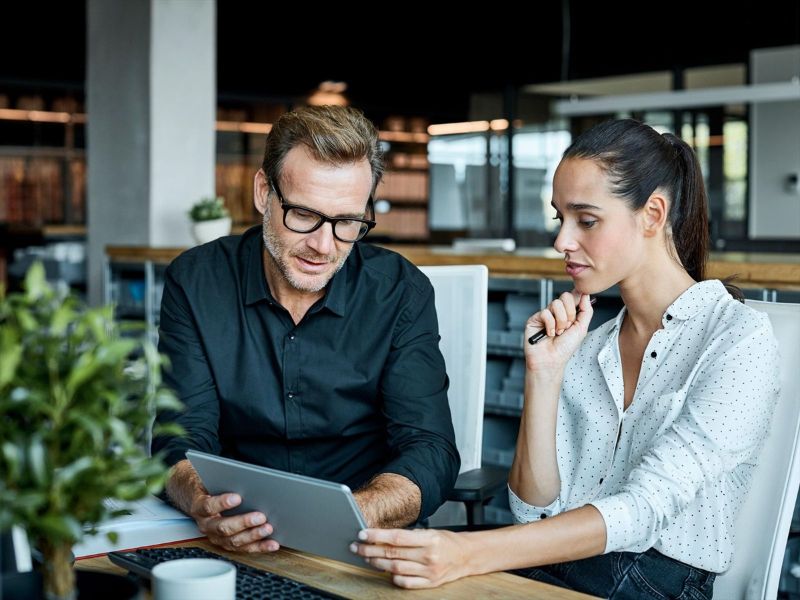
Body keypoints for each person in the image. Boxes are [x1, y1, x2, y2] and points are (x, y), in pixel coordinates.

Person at [353, 119, 780, 599]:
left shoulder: (738, 340)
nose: (561, 242)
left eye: (587, 220)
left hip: (657, 582)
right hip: (569, 564)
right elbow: (532, 511)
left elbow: (643, 512)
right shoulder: (590, 345)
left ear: (653, 214)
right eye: (561, 219)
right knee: (385, 576)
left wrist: (467, 553)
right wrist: (545, 374)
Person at [152, 105, 459, 554]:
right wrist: (203, 502)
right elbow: (180, 437)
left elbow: (429, 449)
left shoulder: (400, 292)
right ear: (263, 192)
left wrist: (352, 514)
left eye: (347, 223)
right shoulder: (196, 282)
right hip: (233, 534)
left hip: (362, 538)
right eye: (302, 214)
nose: (322, 245)